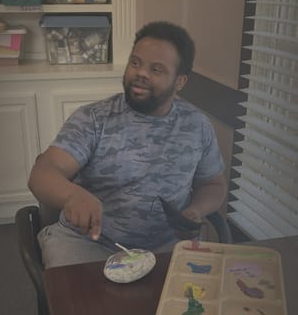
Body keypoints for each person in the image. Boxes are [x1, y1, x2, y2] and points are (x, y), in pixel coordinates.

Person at [28, 21, 227, 270]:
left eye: (156, 69)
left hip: (166, 247)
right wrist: (73, 195)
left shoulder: (197, 126)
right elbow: (42, 173)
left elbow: (213, 184)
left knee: (186, 306)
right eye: (135, 63)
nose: (141, 73)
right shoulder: (93, 118)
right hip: (90, 243)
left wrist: (196, 210)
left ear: (180, 81)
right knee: (82, 308)